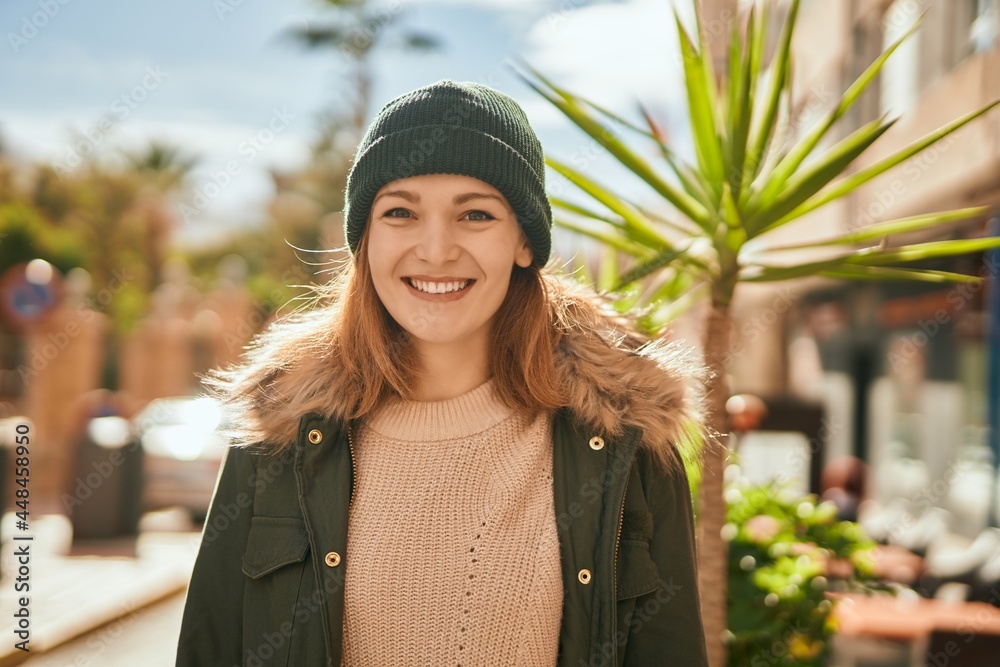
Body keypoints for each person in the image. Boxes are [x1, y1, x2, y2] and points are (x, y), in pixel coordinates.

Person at [175, 79, 708, 667]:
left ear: (524, 243)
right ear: (365, 241)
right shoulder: (280, 437)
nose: (435, 249)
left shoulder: (623, 443)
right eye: (400, 212)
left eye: (475, 214)